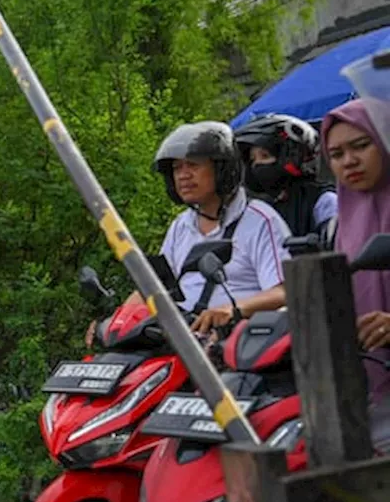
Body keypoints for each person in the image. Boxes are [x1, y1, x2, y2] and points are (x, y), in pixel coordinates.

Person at [86, 121, 292, 347]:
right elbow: (155, 286)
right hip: (181, 342)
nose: (183, 175)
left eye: (193, 165)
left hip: (236, 347)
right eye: (176, 168)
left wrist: (233, 310)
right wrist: (118, 322)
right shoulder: (181, 225)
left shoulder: (260, 220)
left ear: (223, 168)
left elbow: (284, 292)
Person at [320, 99, 390, 451]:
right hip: (368, 391)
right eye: (336, 154)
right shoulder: (339, 225)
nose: (349, 161)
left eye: (361, 146)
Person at [233, 113, 336, 239]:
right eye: (253, 160)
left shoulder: (323, 202)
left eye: (265, 156)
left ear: (291, 157)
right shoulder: (260, 211)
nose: (257, 165)